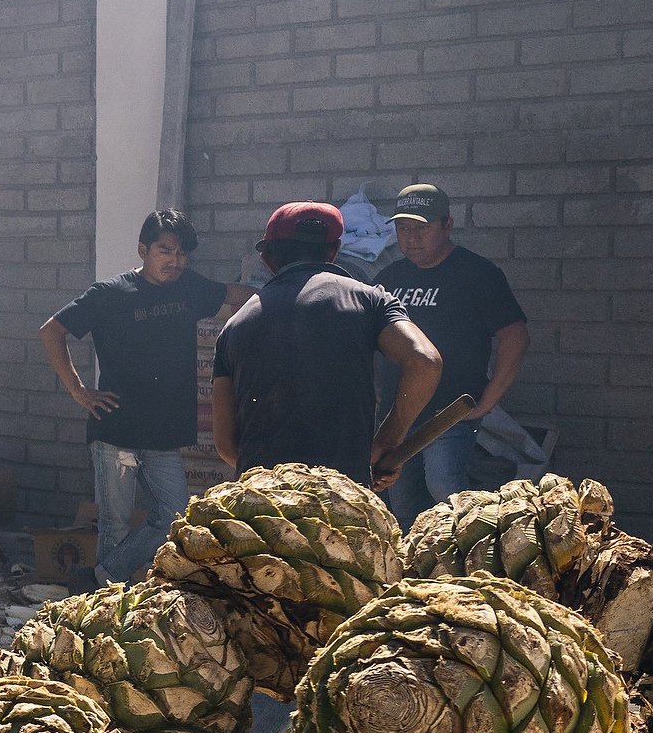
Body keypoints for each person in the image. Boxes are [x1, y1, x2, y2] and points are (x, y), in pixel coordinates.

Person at [40, 209, 249, 583]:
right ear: (143, 250)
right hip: (117, 429)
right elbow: (52, 331)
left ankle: (97, 580)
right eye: (165, 251)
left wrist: (283, 298)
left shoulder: (189, 287)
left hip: (163, 433)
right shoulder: (110, 293)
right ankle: (103, 605)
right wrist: (78, 389)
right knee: (115, 522)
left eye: (182, 254)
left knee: (175, 515)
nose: (175, 261)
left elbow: (241, 295)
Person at [212, 202, 443, 489]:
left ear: (267, 258)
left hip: (263, 502)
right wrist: (388, 440)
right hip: (343, 496)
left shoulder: (235, 326)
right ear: (334, 251)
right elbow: (424, 361)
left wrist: (280, 477)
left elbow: (225, 444)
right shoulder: (369, 301)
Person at [373, 182, 529, 521]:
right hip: (397, 415)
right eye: (403, 229)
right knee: (401, 504)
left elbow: (514, 337)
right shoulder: (389, 278)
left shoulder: (477, 274)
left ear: (448, 225)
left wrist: (486, 402)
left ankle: (465, 563)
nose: (411, 238)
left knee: (446, 493)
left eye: (422, 228)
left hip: (448, 414)